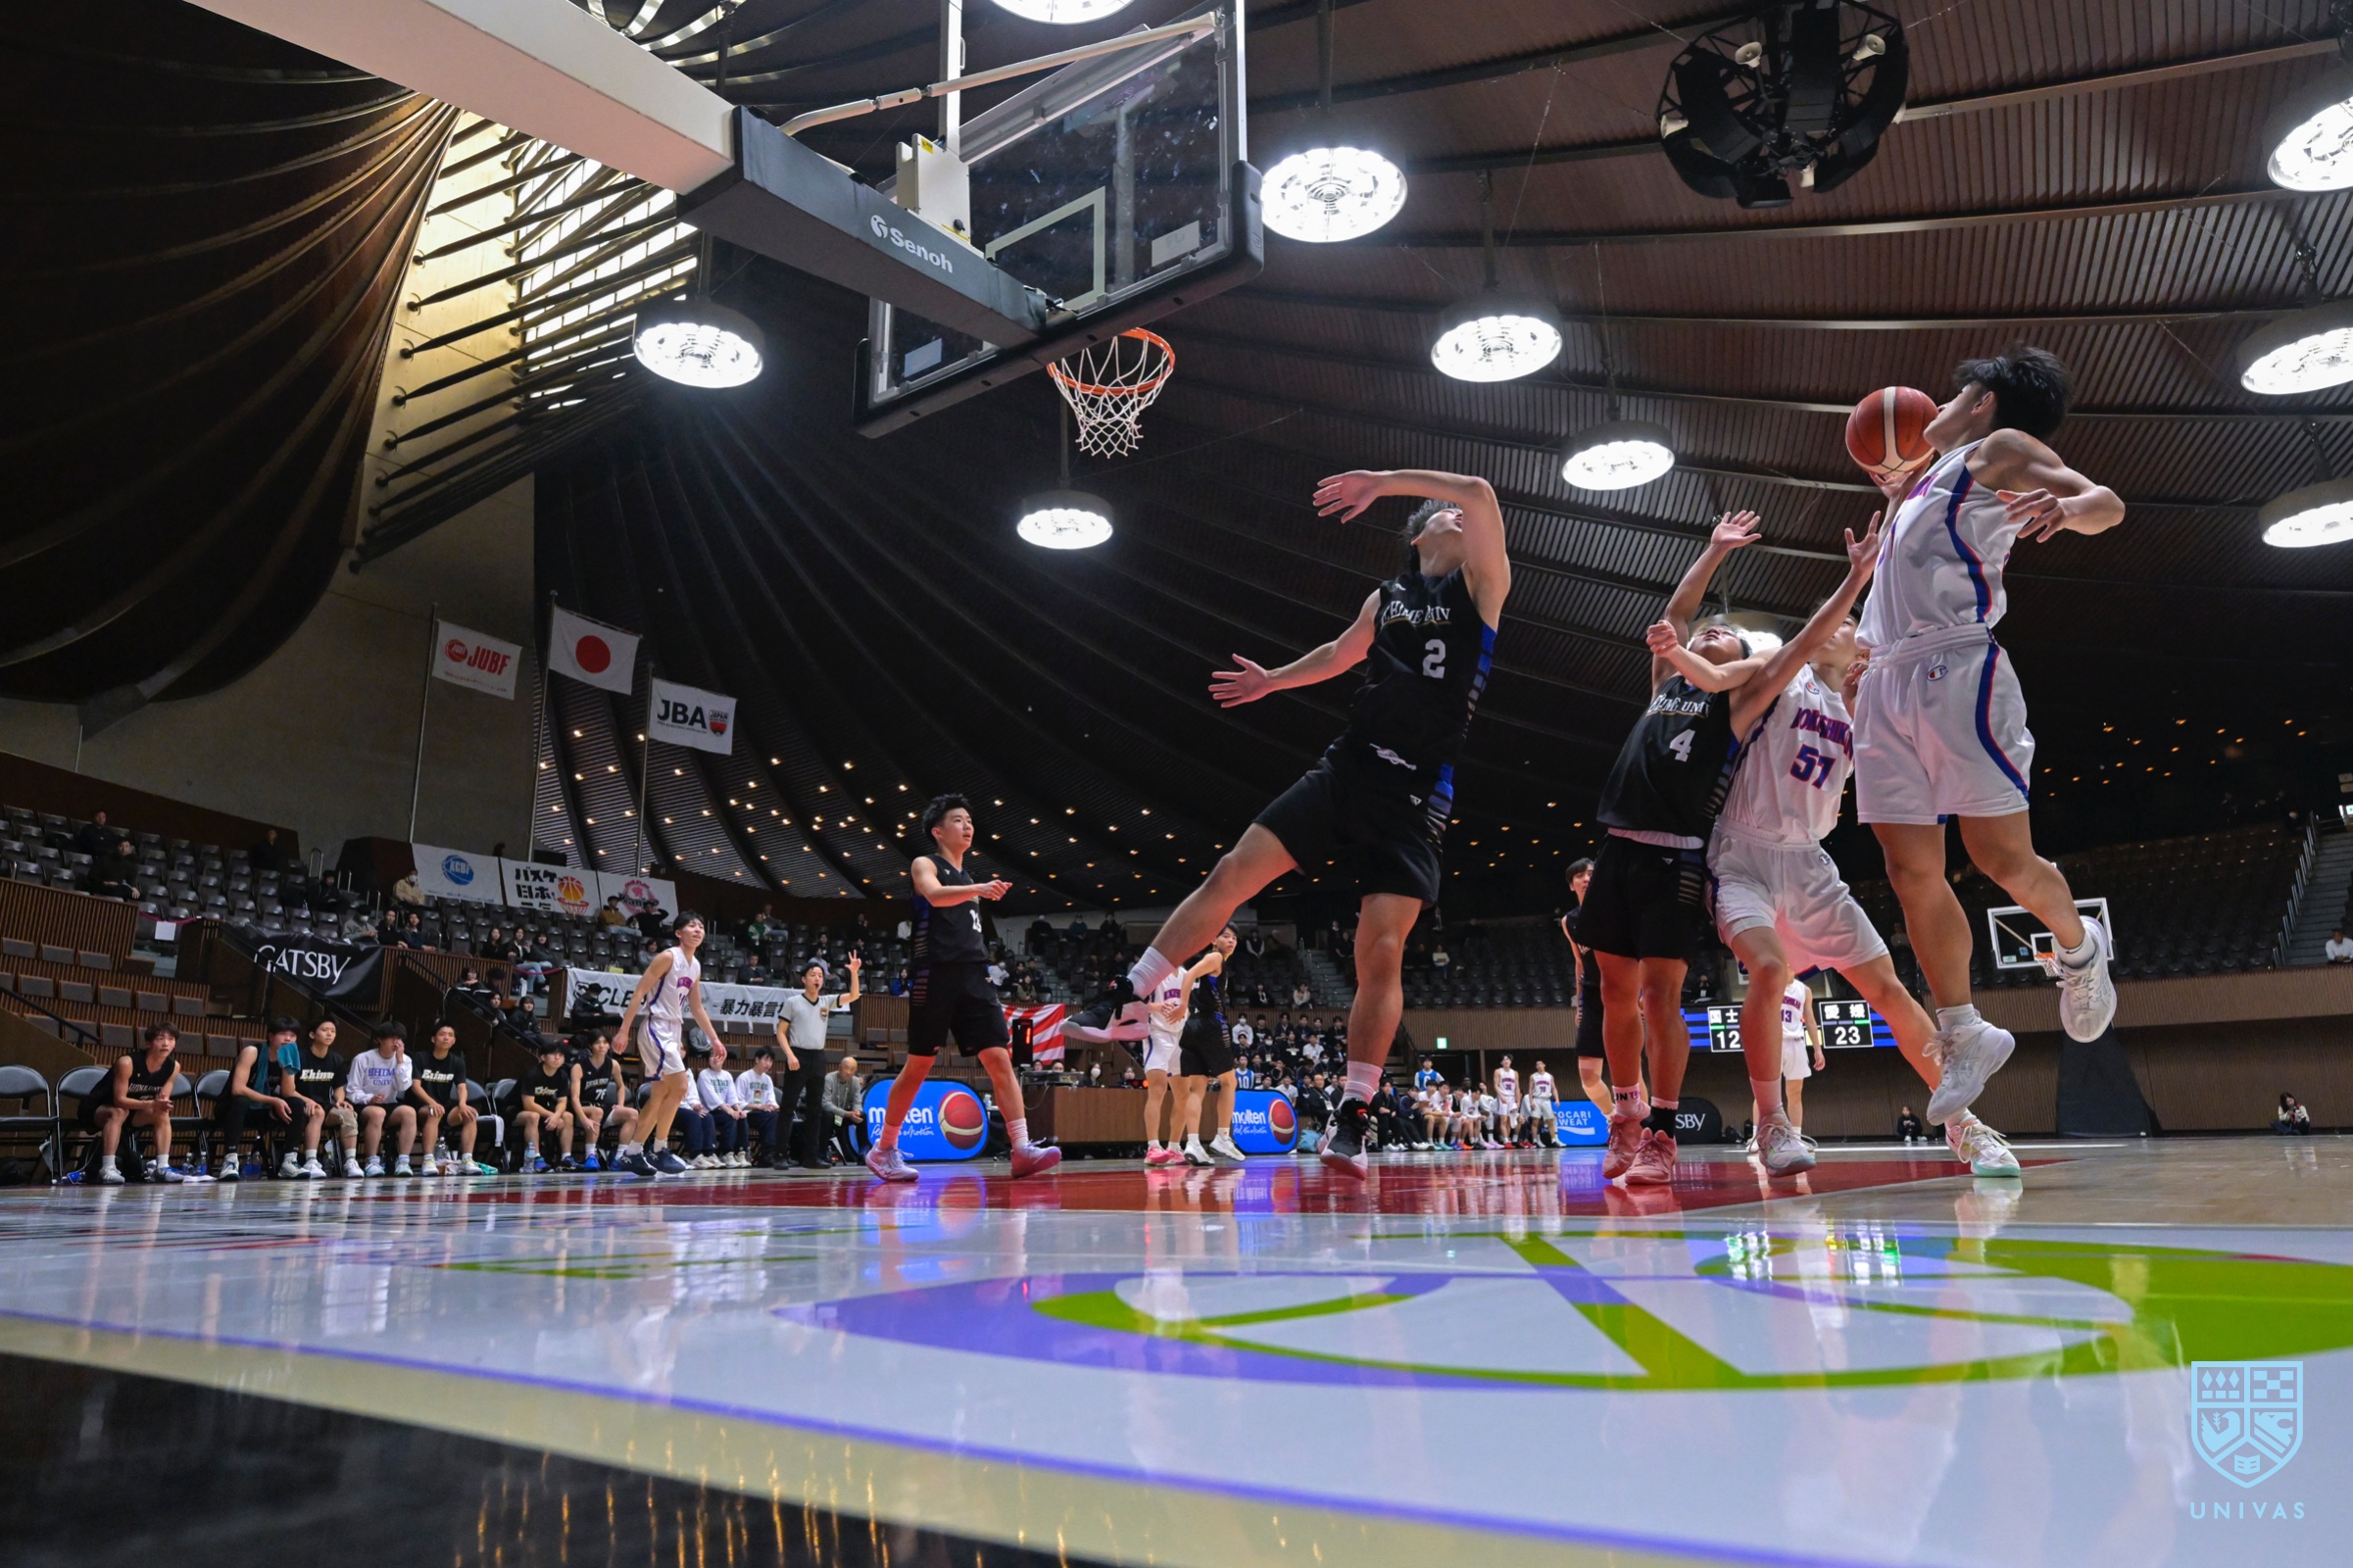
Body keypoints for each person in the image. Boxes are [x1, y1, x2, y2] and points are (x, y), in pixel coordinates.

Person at [1063, 468, 1511, 1182]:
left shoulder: (1481, 586)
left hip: (1418, 791)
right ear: (1418, 535)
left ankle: (1354, 1110)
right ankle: (1128, 992)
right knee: (1232, 871)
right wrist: (1273, 679)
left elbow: (1479, 492)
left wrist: (1383, 481)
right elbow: (1339, 654)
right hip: (1350, 767)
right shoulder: (1387, 597)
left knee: (1380, 950)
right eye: (1442, 513)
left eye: (1457, 514)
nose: (1457, 516)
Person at [1689, 529, 2019, 1179]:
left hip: (1809, 861)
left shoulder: (1866, 710)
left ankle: (1964, 1124)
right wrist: (1860, 573)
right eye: (1835, 620)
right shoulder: (1782, 671)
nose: (1840, 627)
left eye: (1847, 623)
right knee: (1767, 971)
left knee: (1887, 988)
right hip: (1741, 852)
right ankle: (1771, 1122)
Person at [1852, 350, 2125, 1127]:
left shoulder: (1997, 449)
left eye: (1952, 394)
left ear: (1982, 401)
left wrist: (2068, 510)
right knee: (1908, 870)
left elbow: (2105, 503)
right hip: (1885, 680)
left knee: (1999, 857)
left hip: (1955, 667)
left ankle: (2078, 948)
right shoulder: (1917, 486)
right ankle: (1963, 1028)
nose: (1936, 406)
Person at [1581, 506, 1881, 1186]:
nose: (1712, 630)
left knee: (1659, 997)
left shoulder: (1741, 702)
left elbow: (1805, 642)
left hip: (1678, 856)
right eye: (1706, 630)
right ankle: (1626, 1111)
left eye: (1728, 633)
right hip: (1618, 847)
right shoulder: (1667, 681)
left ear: (1745, 661)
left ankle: (1661, 1130)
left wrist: (1855, 579)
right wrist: (1714, 547)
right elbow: (1677, 613)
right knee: (1614, 991)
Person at [866, 796, 1060, 1182]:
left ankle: (1021, 1148)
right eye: (958, 820)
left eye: (970, 820)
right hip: (935, 974)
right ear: (938, 831)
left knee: (999, 1057)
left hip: (975, 975)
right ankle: (884, 1148)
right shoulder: (925, 864)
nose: (968, 826)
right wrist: (980, 889)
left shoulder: (970, 880)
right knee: (919, 1064)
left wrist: (977, 889)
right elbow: (934, 895)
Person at [612, 910, 722, 1178]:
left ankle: (632, 1152)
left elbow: (696, 1007)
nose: (698, 930)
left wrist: (714, 1038)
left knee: (660, 1094)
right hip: (656, 1026)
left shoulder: (695, 966)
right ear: (678, 933)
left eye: (701, 926)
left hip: (673, 1029)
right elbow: (639, 991)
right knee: (681, 1086)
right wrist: (624, 1030)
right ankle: (659, 1149)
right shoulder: (668, 957)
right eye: (692, 926)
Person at [776, 955, 860, 1169]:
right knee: (788, 1106)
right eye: (813, 975)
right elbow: (780, 1032)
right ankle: (780, 1155)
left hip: (818, 1057)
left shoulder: (826, 1001)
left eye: (820, 975)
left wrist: (853, 972)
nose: (817, 979)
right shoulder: (793, 1002)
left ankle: (811, 1156)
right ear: (804, 979)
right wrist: (790, 1055)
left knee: (815, 1109)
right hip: (797, 1055)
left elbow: (854, 995)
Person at [1557, 858, 1625, 1118]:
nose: (1586, 879)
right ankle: (1613, 1118)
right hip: (1593, 997)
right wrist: (1580, 1004)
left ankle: (1639, 1127)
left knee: (1628, 1073)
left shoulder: (1617, 909)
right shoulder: (1569, 921)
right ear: (1571, 885)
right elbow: (1579, 963)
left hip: (1621, 992)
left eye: (1590, 874)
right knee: (1588, 1077)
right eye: (1579, 876)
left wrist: (1638, 995)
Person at [1175, 927, 1248, 1165]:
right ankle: (1222, 1137)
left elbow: (1191, 976)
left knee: (1198, 1088)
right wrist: (1182, 1005)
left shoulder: (1213, 961)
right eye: (1226, 936)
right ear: (1213, 940)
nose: (1231, 940)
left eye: (1235, 938)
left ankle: (1193, 1144)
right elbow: (1188, 975)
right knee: (1229, 1082)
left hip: (1193, 1026)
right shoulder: (1215, 957)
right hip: (1210, 1024)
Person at [87, 1025, 183, 1183]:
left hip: (134, 1111)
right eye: (160, 1039)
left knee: (161, 1112)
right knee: (119, 1111)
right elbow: (119, 1100)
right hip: (99, 1108)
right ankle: (108, 1168)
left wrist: (159, 1104)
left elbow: (161, 1101)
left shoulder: (173, 1067)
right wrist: (151, 1103)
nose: (166, 1043)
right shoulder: (127, 1063)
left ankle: (162, 1167)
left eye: (171, 1039)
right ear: (148, 1043)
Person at [215, 1018, 308, 1180]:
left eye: (292, 1036)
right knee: (241, 1100)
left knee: (296, 1104)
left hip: (261, 1110)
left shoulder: (288, 1056)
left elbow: (287, 1092)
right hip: (231, 1109)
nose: (288, 1039)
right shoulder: (252, 1052)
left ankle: (289, 1161)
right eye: (283, 1034)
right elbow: (238, 1089)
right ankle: (230, 1161)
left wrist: (289, 1065)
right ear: (271, 1036)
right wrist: (273, 1101)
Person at [277, 1019, 356, 1176]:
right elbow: (288, 1090)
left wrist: (340, 1101)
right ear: (312, 1034)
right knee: (317, 1112)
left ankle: (350, 1162)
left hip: (324, 1105)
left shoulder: (336, 1059)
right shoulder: (299, 1056)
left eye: (333, 1031)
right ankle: (311, 1161)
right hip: (299, 1103)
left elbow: (338, 1088)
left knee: (348, 1114)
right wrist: (308, 1101)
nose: (329, 1034)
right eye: (325, 1030)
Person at [344, 1022, 418, 1177]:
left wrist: (399, 1061)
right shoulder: (362, 1059)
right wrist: (369, 1098)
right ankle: (371, 1161)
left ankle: (403, 1162)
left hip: (389, 1103)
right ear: (379, 1039)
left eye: (399, 1039)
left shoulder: (405, 1060)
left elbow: (402, 1086)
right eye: (392, 1038)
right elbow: (351, 1091)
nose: (396, 1043)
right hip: (363, 1104)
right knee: (377, 1113)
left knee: (409, 1112)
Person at [1140, 951, 1191, 1167]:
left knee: (1183, 1095)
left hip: (1180, 1036)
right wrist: (1156, 1007)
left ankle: (1174, 1148)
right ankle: (1153, 1147)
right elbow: (1131, 1004)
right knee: (1158, 1089)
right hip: (1157, 1034)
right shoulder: (1153, 973)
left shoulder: (1187, 974)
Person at [412, 1023, 479, 1175]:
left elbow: (461, 1087)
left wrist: (462, 1104)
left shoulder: (457, 1061)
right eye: (442, 1034)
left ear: (454, 1041)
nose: (446, 1038)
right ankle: (428, 1160)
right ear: (433, 1039)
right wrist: (432, 1103)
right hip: (422, 1106)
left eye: (450, 1035)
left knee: (470, 1114)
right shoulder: (420, 1057)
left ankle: (467, 1160)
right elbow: (415, 1086)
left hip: (445, 1106)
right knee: (435, 1112)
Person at [505, 1039, 576, 1172]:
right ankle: (536, 1158)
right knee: (533, 1116)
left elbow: (562, 1102)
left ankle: (566, 1158)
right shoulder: (532, 1074)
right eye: (553, 1054)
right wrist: (551, 1115)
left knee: (568, 1116)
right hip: (515, 1110)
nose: (557, 1058)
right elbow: (528, 1104)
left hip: (541, 1110)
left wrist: (556, 1115)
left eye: (560, 1055)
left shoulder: (562, 1076)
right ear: (543, 1057)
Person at [1770, 978, 1826, 1140]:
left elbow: (1810, 1021)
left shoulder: (1804, 990)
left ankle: (1796, 1138)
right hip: (1773, 1041)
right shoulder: (1770, 983)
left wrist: (1817, 1049)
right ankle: (1756, 1136)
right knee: (1765, 1093)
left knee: (1795, 1093)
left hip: (1796, 1042)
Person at [570, 1031, 633, 1167]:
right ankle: (590, 1155)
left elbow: (621, 1087)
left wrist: (620, 1104)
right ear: (590, 1046)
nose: (601, 1046)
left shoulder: (613, 1064)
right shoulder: (579, 1067)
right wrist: (583, 1118)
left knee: (632, 1114)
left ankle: (619, 1157)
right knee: (597, 1111)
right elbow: (574, 1098)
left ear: (609, 1045)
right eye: (597, 1043)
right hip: (581, 1109)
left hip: (601, 1107)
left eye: (605, 1042)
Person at [697, 1039, 750, 1168]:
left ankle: (740, 1152)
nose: (715, 1058)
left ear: (724, 1058)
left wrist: (738, 1110)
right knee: (730, 1118)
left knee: (742, 1117)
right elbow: (713, 1098)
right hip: (710, 1111)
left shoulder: (727, 1075)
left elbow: (732, 1097)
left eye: (718, 1055)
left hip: (724, 1110)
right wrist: (730, 1111)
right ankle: (727, 1153)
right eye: (712, 1055)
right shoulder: (704, 1075)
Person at [737, 1046, 783, 1166]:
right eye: (766, 1060)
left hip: (761, 1114)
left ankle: (769, 1154)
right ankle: (762, 1153)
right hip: (746, 1113)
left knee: (778, 1117)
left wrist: (776, 1107)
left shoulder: (767, 1079)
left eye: (771, 1061)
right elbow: (737, 1103)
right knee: (771, 1118)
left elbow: (771, 1101)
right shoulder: (744, 1077)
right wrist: (758, 1107)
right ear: (757, 1060)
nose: (768, 1064)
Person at [823, 1054, 863, 1162]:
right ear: (840, 1067)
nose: (848, 1072)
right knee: (827, 1115)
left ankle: (863, 1152)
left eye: (852, 1069)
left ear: (855, 1071)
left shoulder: (855, 1081)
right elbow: (825, 1103)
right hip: (831, 1115)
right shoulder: (829, 1079)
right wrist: (846, 1113)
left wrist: (857, 1111)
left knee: (863, 1117)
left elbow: (857, 1101)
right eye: (846, 1068)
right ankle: (822, 1152)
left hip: (843, 1116)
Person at [1526, 1059, 1558, 1147]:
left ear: (1544, 1065)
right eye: (1537, 1064)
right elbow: (1530, 1089)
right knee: (1535, 1121)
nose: (1539, 1065)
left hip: (1546, 1099)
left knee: (1550, 1120)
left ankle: (1553, 1140)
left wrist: (1557, 1099)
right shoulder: (1533, 1076)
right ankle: (1535, 1140)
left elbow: (1554, 1088)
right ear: (1536, 1067)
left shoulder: (1549, 1076)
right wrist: (1531, 1101)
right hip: (1537, 1099)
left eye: (1541, 1064)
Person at [1494, 1054, 1521, 1147]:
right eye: (1504, 1060)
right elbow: (1496, 1085)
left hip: (1512, 1097)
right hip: (1503, 1096)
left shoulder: (1515, 1073)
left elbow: (1517, 1088)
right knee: (1504, 1120)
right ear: (1501, 1062)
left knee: (1510, 1120)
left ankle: (1507, 1140)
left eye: (1508, 1059)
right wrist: (1501, 1096)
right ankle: (1505, 1141)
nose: (1506, 1061)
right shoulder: (1498, 1071)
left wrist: (1518, 1101)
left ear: (1510, 1061)